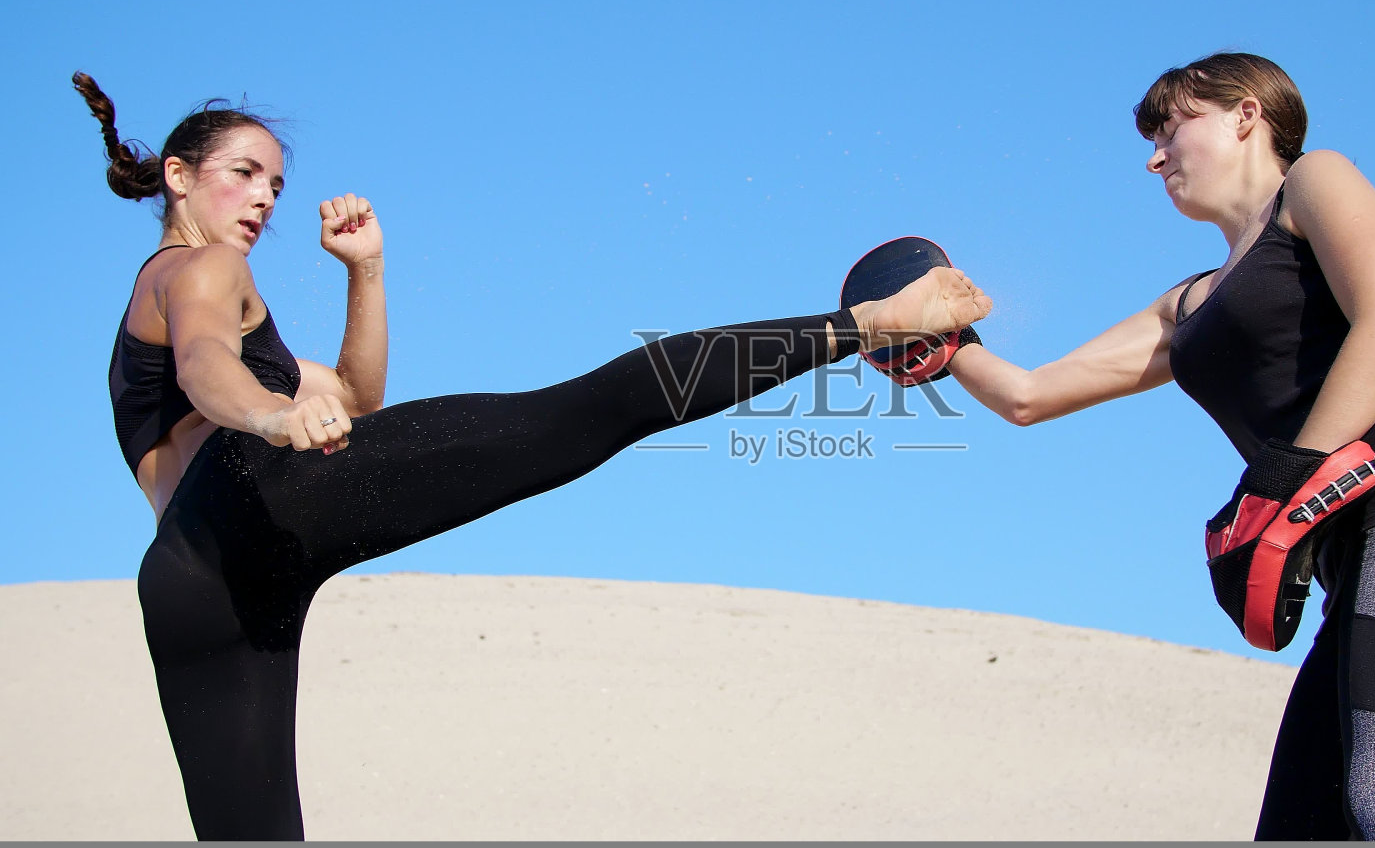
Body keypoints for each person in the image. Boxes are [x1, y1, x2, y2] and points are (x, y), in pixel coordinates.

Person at [75, 71, 991, 840]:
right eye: (244, 174)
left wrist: (366, 272)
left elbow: (352, 400)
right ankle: (874, 320)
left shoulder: (170, 307)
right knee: (583, 415)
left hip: (194, 585)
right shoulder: (200, 272)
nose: (265, 198)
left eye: (276, 183)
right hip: (251, 496)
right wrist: (273, 421)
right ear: (178, 177)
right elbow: (207, 369)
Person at [937, 54, 1375, 840]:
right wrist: (939, 344)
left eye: (1170, 129)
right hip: (1352, 558)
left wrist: (1284, 478)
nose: (1154, 158)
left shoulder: (1314, 181)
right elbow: (1029, 396)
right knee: (1299, 828)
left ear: (1246, 113)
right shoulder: (1189, 303)